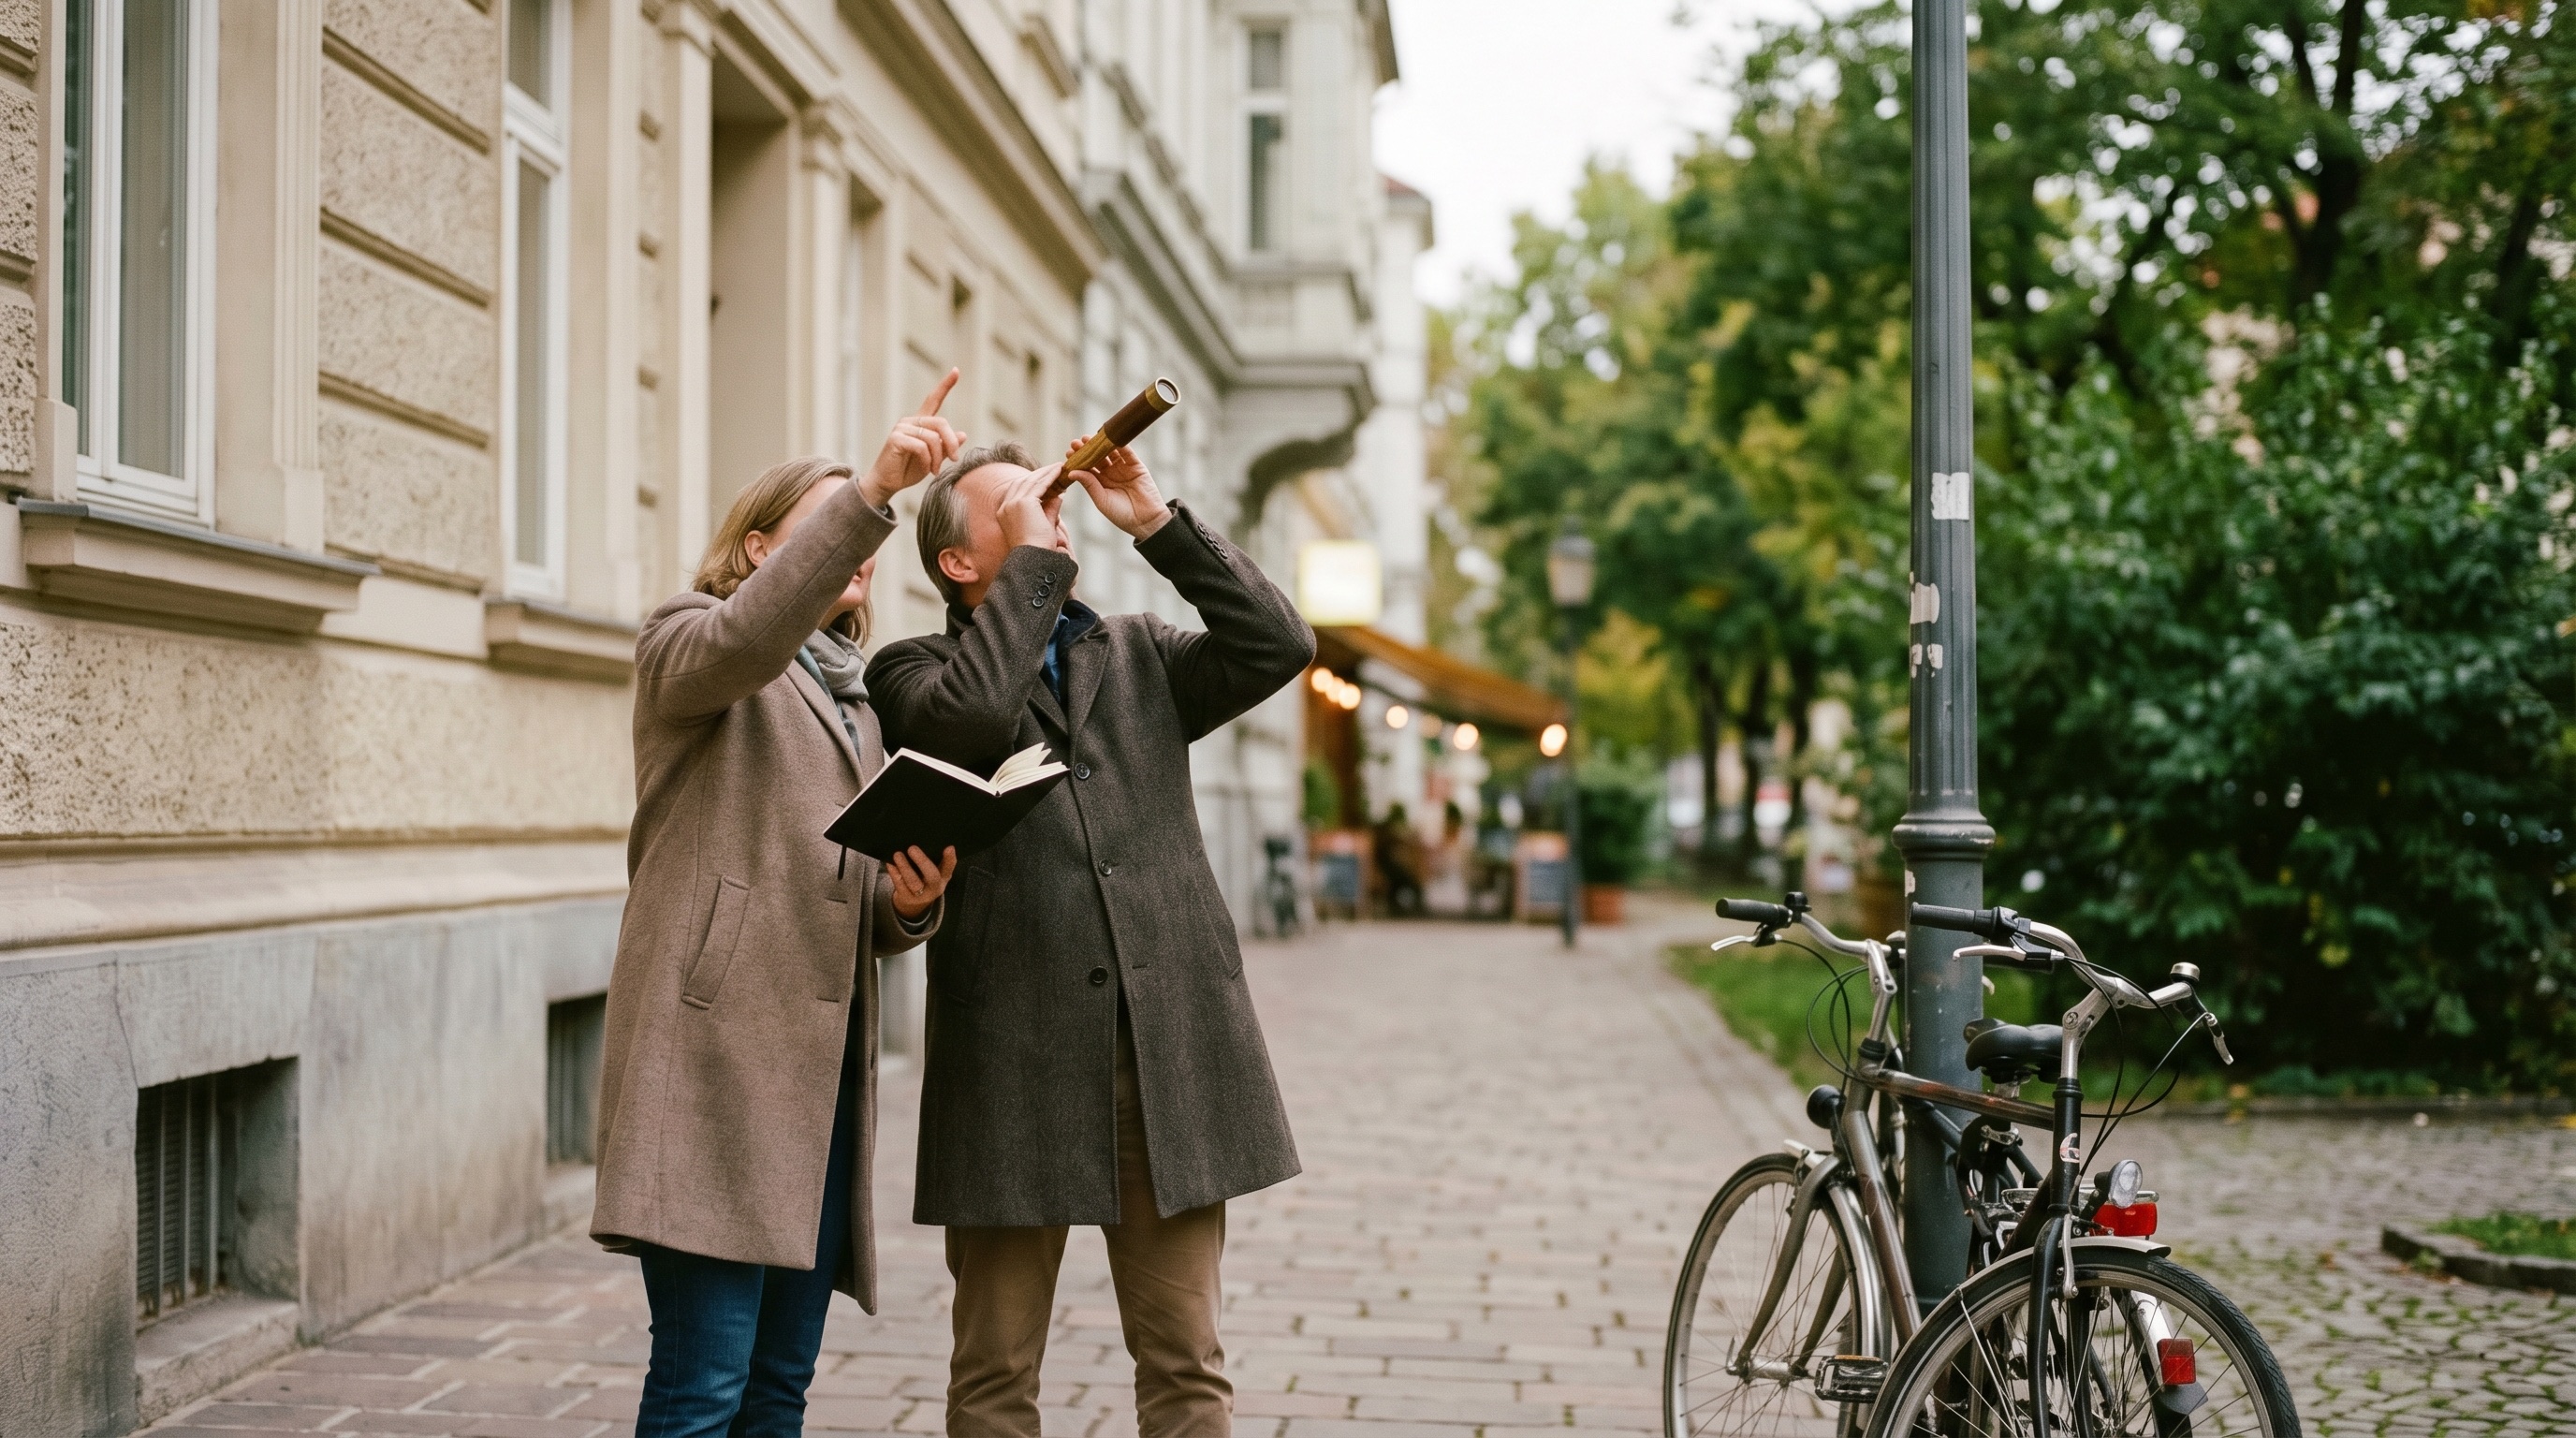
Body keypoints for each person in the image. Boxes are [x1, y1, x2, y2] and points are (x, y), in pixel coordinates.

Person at [869, 438, 1316, 1437]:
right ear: (957, 563)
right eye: (1013, 508)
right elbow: (973, 722)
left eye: (1047, 501)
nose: (1047, 510)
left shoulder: (1140, 651)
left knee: (1186, 1364)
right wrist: (1036, 569)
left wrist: (1156, 521)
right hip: (1011, 1066)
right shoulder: (912, 671)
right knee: (994, 1373)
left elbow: (1279, 646)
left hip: (1167, 1058)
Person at [591, 374, 968, 1438]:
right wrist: (880, 485)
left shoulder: (855, 700)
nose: (862, 548)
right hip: (711, 1070)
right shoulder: (688, 641)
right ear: (762, 549)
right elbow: (748, 642)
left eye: (866, 534)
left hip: (816, 1085)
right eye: (829, 526)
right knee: (702, 1387)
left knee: (777, 1390)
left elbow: (845, 891)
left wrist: (908, 905)